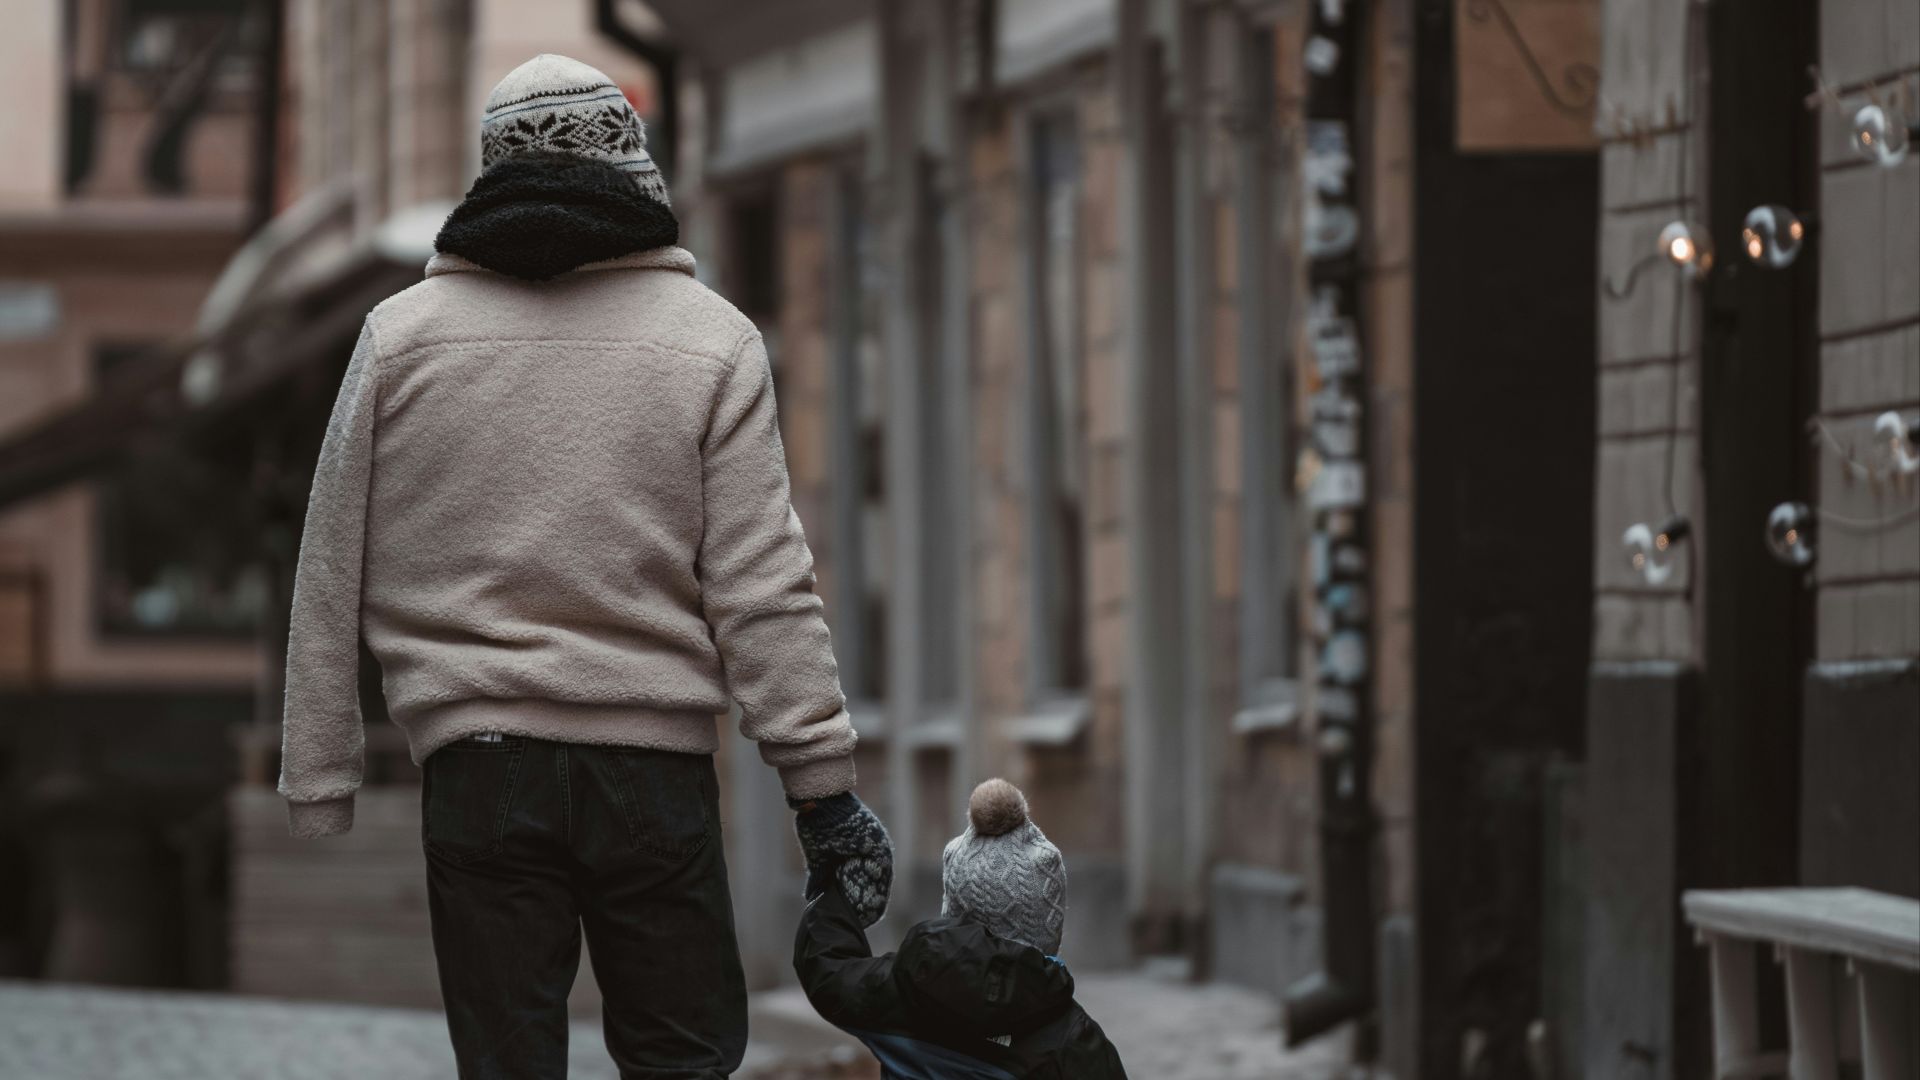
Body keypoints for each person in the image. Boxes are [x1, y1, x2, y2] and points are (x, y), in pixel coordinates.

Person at [276, 53, 892, 1079]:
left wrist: (320, 770)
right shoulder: (712, 342)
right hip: (652, 774)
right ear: (634, 167)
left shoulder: (401, 340)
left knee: (508, 1062)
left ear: (489, 176)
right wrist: (821, 790)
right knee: (681, 1056)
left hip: (479, 765)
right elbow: (763, 583)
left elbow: (329, 558)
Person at [793, 779, 1128, 1079]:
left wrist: (840, 873)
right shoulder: (1073, 1040)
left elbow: (825, 966)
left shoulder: (897, 993)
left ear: (955, 906)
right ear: (1048, 923)